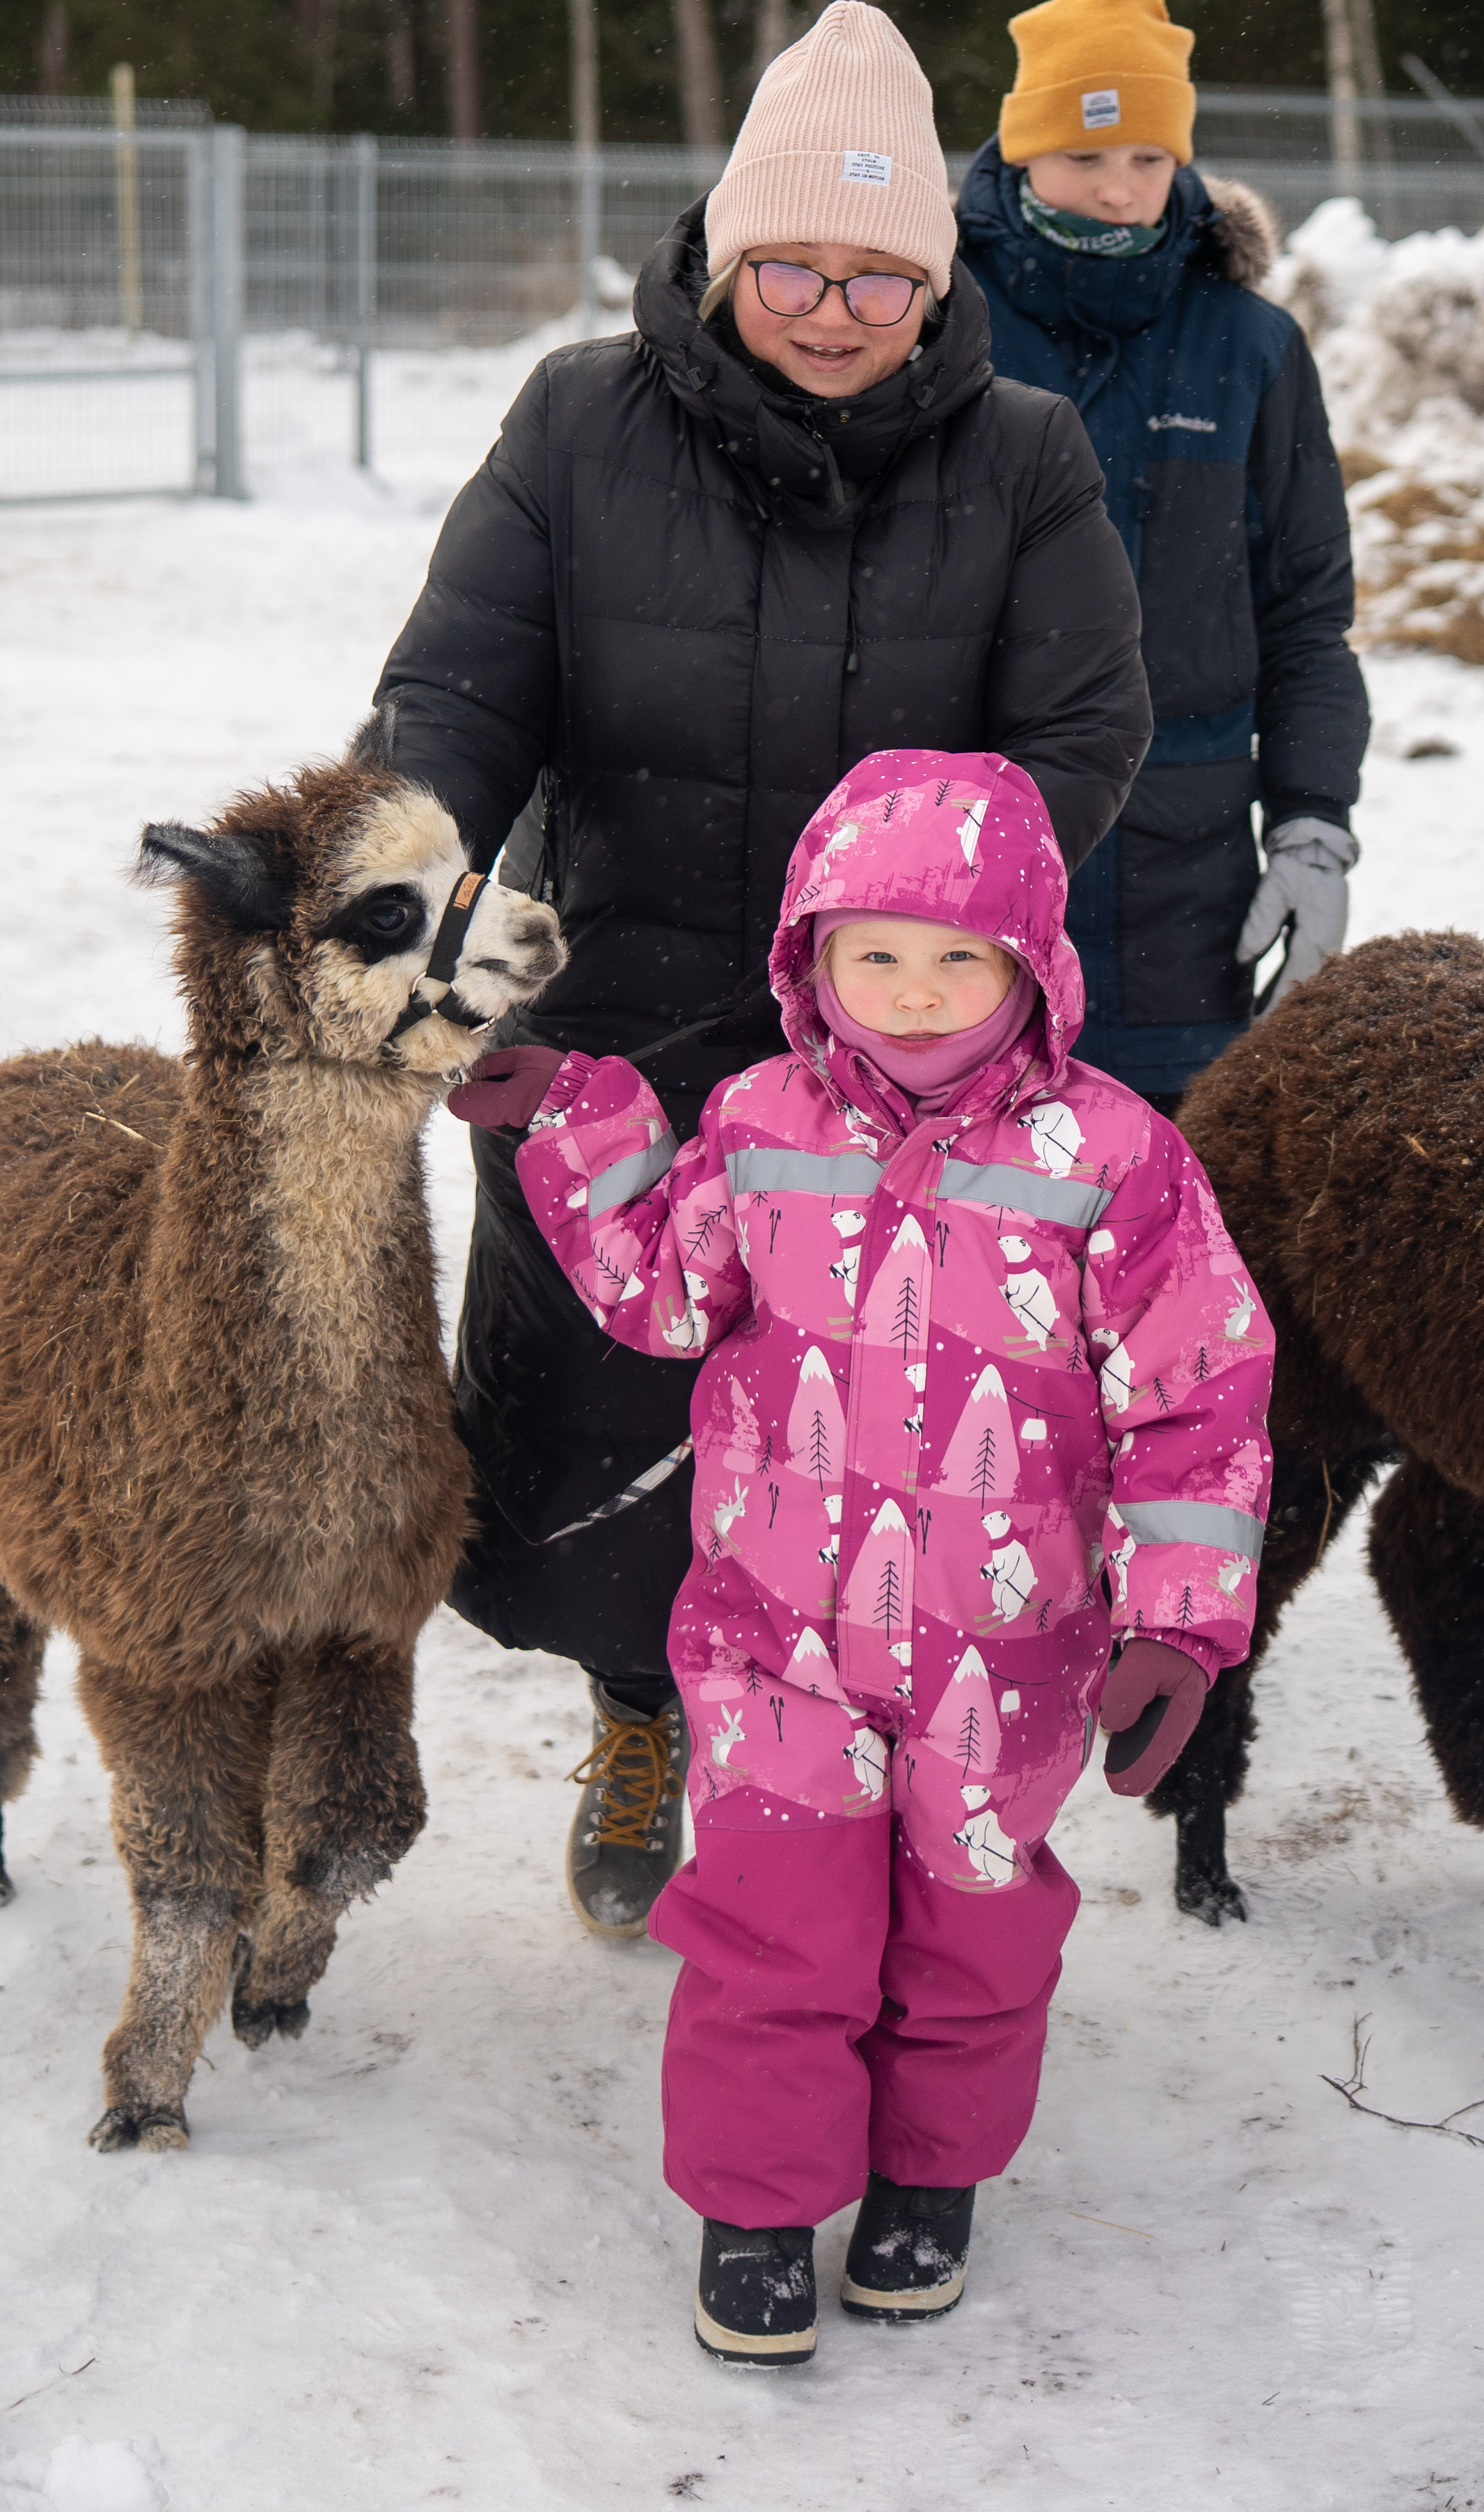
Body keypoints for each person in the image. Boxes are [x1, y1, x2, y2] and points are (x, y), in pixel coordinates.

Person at [368, 1, 1153, 1945]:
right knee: (606, 1424)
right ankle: (642, 1710)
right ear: (726, 254)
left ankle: (851, 1761)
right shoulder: (574, 421)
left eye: (879, 271)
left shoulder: (1024, 457)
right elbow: (460, 682)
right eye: (792, 261)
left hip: (902, 1062)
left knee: (880, 1433)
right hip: (610, 1023)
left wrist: (934, 929)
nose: (830, 305)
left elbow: (1084, 729)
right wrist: (414, 865)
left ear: (936, 271)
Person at [445, 746, 1272, 2364]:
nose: (908, 994)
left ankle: (928, 2175)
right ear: (806, 958)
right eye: (869, 953)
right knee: (771, 1922)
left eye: (955, 957)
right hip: (778, 1633)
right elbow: (662, 1293)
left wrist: (1178, 1621)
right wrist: (577, 1110)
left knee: (970, 1929)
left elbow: (1198, 1394)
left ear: (1031, 964)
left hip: (1006, 1645)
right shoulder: (759, 1121)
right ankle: (755, 2205)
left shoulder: (1110, 1161)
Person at [952, 0, 1368, 1103]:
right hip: (962, 862)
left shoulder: (1252, 348)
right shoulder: (937, 321)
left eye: (1148, 158)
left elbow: (1307, 619)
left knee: (1160, 1215)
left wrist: (1313, 826)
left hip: (1187, 880)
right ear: (1023, 148)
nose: (1121, 191)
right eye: (1086, 156)